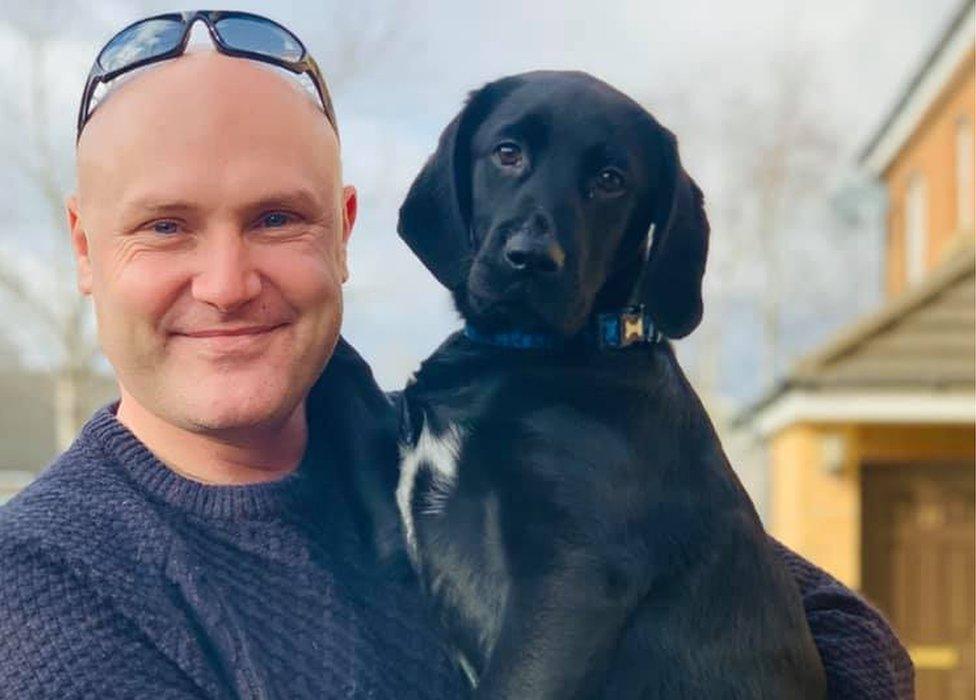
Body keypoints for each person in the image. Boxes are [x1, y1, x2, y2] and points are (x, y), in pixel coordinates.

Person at [0, 10, 912, 700]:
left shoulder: (395, 424)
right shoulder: (51, 590)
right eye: (166, 227)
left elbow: (830, 630)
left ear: (345, 232)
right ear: (82, 250)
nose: (228, 282)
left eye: (278, 218)